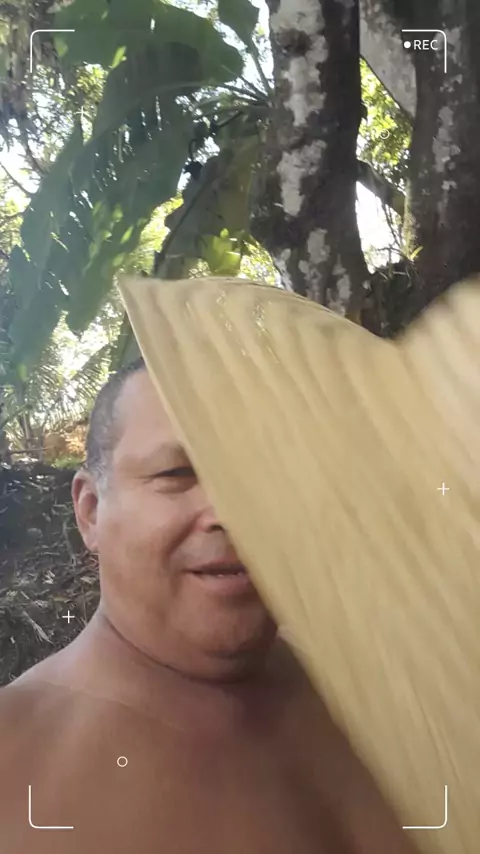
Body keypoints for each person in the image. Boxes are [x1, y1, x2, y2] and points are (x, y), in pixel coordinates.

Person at [0, 358, 418, 854]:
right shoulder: (16, 762)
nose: (230, 510)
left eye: (263, 471)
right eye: (177, 473)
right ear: (90, 510)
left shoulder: (377, 685)